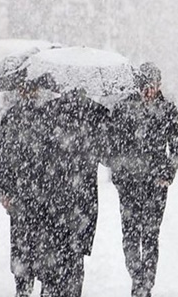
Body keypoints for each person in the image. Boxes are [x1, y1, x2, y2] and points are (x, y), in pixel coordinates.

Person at [109, 62, 178, 297]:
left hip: (156, 184)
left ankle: (145, 285)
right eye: (144, 86)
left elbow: (177, 146)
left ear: (159, 85)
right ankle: (137, 276)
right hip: (129, 183)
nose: (147, 91)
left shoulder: (168, 109)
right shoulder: (124, 109)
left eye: (152, 86)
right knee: (130, 235)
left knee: (150, 236)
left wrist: (168, 175)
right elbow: (114, 146)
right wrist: (119, 176)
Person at [35, 87, 110, 297]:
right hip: (82, 200)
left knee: (53, 255)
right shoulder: (97, 114)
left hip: (53, 198)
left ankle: (51, 291)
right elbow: (107, 156)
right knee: (74, 259)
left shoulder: (48, 111)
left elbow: (39, 157)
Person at [0, 78, 49, 297]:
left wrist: (4, 190)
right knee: (43, 243)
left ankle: (23, 288)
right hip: (44, 192)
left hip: (19, 193)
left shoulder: (11, 116)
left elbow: (1, 156)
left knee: (21, 243)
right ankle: (42, 284)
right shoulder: (48, 115)